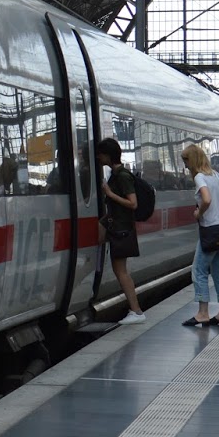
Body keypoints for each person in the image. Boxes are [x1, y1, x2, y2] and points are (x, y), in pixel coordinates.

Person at [181, 143, 219, 327]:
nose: (185, 166)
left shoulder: (200, 177)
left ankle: (203, 313)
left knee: (199, 270)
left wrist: (198, 213)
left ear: (192, 160)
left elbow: (207, 199)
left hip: (210, 231)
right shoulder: (216, 176)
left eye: (186, 161)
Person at [96, 138, 146, 323]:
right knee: (120, 270)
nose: (98, 158)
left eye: (100, 154)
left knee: (121, 271)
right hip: (117, 227)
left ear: (108, 155)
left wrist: (110, 194)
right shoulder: (116, 174)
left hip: (122, 230)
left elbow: (133, 203)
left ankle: (137, 311)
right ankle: (136, 310)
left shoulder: (122, 176)